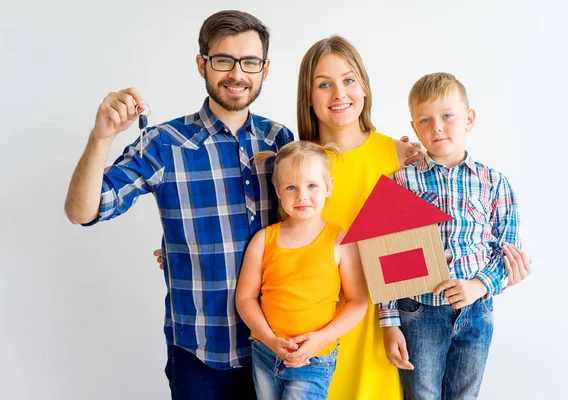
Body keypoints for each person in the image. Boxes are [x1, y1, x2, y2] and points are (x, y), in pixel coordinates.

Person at [64, 10, 293, 400]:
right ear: (202, 64)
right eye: (224, 60)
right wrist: (101, 137)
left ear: (265, 69)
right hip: (200, 353)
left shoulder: (280, 139)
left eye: (250, 62)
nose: (237, 74)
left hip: (276, 348)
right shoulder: (163, 143)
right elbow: (83, 210)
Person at [296, 37, 532, 400]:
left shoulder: (402, 157)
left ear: (364, 86)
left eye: (348, 80)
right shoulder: (296, 166)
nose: (338, 93)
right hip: (320, 327)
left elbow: (494, 243)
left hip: (396, 324)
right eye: (323, 84)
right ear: (307, 97)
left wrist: (490, 280)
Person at [380, 72, 524, 399]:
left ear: (469, 119)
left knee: (464, 395)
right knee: (422, 394)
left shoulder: (495, 182)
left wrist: (479, 285)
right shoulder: (400, 183)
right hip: (419, 312)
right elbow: (386, 259)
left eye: (448, 116)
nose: (437, 127)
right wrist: (389, 322)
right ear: (415, 128)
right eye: (426, 120)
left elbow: (509, 251)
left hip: (477, 311)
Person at [235, 141, 368, 399]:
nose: (302, 196)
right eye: (291, 187)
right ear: (278, 191)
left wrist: (320, 340)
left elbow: (358, 302)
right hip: (265, 352)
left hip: (314, 360)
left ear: (328, 187)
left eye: (312, 186)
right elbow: (245, 298)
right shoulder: (263, 240)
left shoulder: (340, 242)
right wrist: (271, 340)